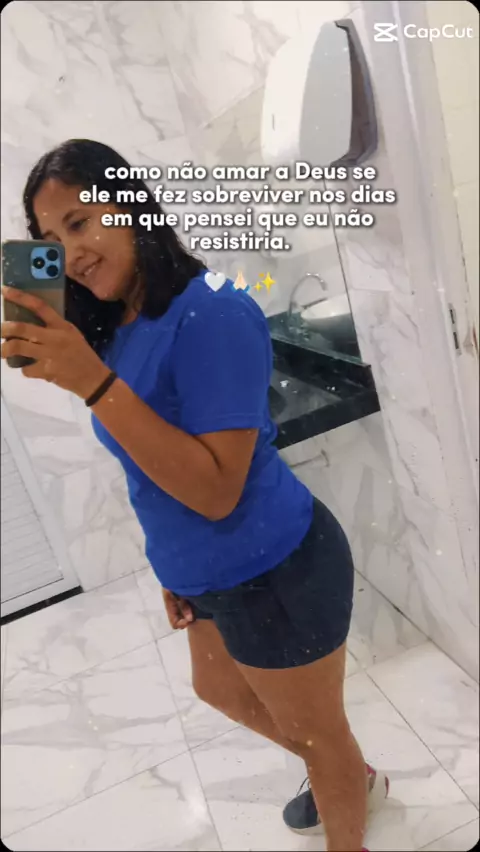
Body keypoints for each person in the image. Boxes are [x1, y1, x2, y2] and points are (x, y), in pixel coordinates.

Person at [1, 139, 388, 852]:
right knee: (220, 690)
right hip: (207, 573)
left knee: (317, 730)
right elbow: (150, 466)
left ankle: (345, 803)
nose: (71, 254)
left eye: (80, 222)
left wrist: (92, 383)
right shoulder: (117, 326)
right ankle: (340, 770)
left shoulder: (212, 312)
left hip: (273, 567)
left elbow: (216, 491)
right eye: (50, 240)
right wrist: (172, 567)